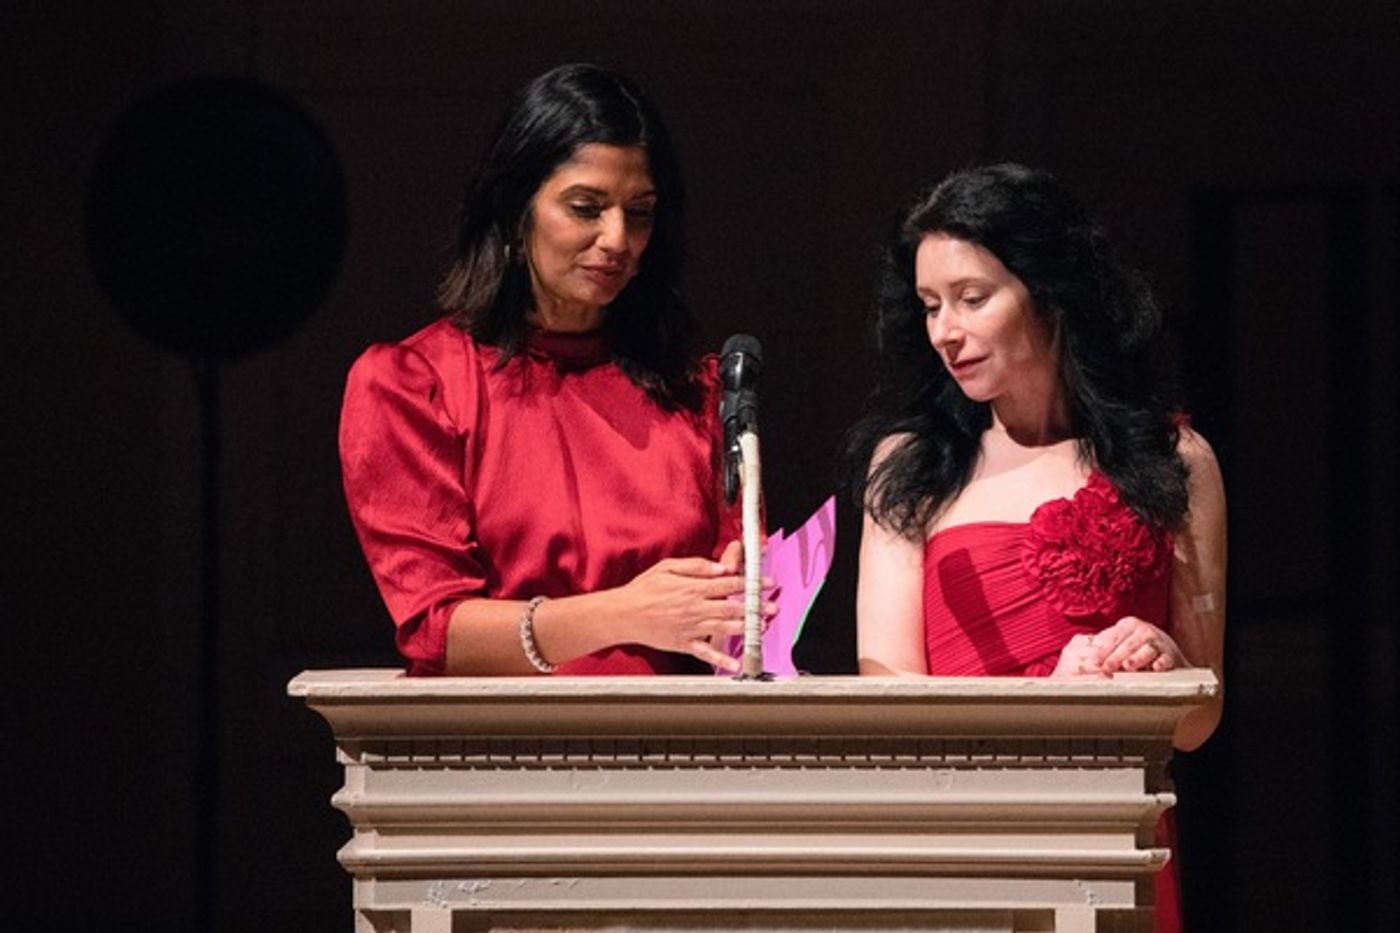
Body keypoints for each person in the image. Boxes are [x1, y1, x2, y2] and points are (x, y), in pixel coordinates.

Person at [847, 163, 1226, 933]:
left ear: (1048, 293)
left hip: (1119, 838)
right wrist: (1048, 703)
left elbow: (1203, 713)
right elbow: (889, 702)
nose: (945, 331)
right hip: (969, 840)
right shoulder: (912, 465)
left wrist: (1167, 667)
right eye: (929, 307)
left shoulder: (1174, 458)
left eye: (973, 298)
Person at [339, 64, 769, 677]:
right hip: (499, 754)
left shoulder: (697, 387)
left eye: (639, 212)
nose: (617, 238)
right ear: (517, 210)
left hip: (679, 747)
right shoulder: (416, 382)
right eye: (586, 207)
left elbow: (735, 606)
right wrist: (625, 614)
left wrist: (744, 607)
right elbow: (436, 633)